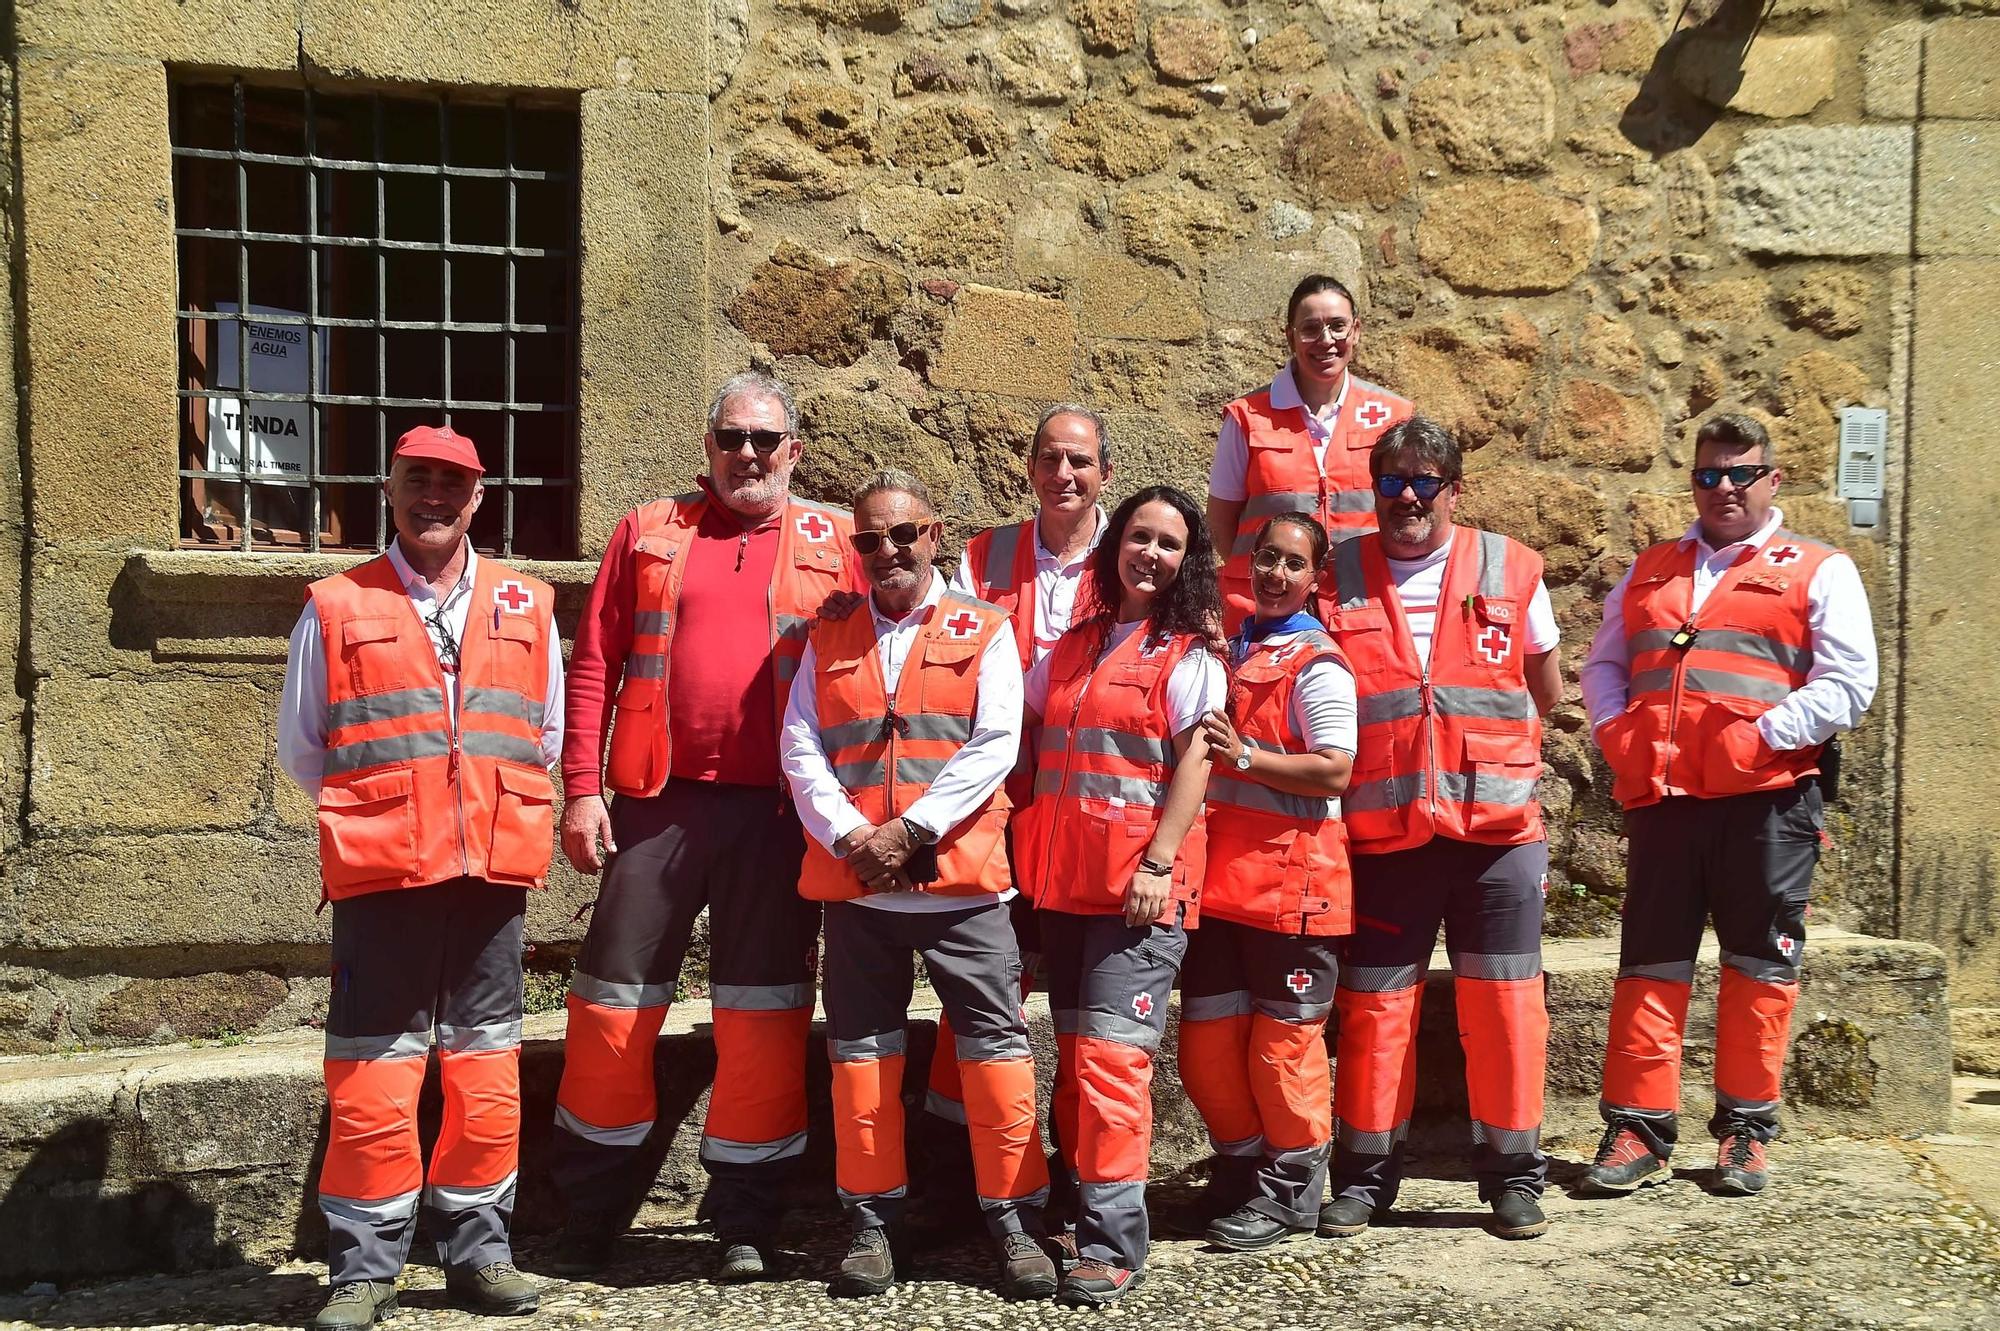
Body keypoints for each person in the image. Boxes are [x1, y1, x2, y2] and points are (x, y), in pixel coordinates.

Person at [548, 371, 857, 1281]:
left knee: (765, 1017)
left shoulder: (841, 539)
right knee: (612, 1006)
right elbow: (595, 660)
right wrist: (581, 789)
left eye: (765, 439)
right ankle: (589, 1213)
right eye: (732, 438)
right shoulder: (647, 530)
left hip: (778, 815)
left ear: (794, 449)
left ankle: (746, 1218)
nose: (748, 455)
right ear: (708, 446)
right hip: (659, 804)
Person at [279, 424, 563, 1327]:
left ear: (478, 497)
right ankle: (364, 1268)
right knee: (372, 1068)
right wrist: (394, 811)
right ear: (389, 489)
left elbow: (545, 734)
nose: (433, 496)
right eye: (417, 479)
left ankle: (480, 1251)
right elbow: (304, 747)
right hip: (384, 871)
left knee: (487, 1065)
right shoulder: (335, 603)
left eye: (452, 482)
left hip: (490, 868)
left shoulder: (529, 603)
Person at [1577, 413, 1877, 1199]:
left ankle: (1746, 1130)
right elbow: (1604, 663)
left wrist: (1762, 735)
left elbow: (1851, 682)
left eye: (1741, 473)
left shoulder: (1820, 568)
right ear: (1694, 483)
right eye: (1710, 474)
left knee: (1759, 967)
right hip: (1664, 799)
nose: (1725, 488)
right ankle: (1638, 1129)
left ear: (1772, 480)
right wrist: (1615, 733)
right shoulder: (1651, 567)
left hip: (1768, 801)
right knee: (1650, 963)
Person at [780, 470, 1058, 1301]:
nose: (888, 550)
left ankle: (1016, 1221)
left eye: (904, 534)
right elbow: (800, 742)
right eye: (870, 539)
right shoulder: (828, 634)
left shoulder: (987, 629)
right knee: (861, 1059)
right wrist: (852, 835)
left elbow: (995, 740)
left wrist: (913, 829)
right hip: (862, 887)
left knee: (997, 1055)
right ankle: (872, 1223)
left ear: (935, 535)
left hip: (962, 889)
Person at [1318, 417, 1563, 1242]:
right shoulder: (1336, 573)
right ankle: (1364, 1179)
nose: (1408, 496)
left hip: (1497, 834)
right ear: (1374, 489)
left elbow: (1545, 687)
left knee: (1507, 1011)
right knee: (1375, 1012)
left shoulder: (1512, 567)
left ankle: (1513, 1177)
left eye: (1425, 481)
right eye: (1392, 481)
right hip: (1386, 836)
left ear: (1454, 489)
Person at [1013, 484, 1228, 1305]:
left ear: (1187, 562)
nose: (1152, 554)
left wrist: (1159, 863)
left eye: (1170, 544)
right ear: (1115, 547)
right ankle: (1077, 1212)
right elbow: (1023, 723)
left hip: (1137, 895)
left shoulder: (1190, 657)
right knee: (1075, 1065)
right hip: (1066, 891)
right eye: (1141, 537)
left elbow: (1198, 762)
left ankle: (1113, 1244)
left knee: (1110, 1068)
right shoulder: (1075, 644)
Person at [921, 403, 1111, 1188]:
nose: (1063, 474)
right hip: (999, 816)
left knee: (1086, 1007)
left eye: (1080, 460)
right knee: (979, 992)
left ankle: (1081, 1177)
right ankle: (953, 1176)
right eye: (1050, 458)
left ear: (1105, 473)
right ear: (1029, 467)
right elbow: (947, 662)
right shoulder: (983, 555)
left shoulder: (1132, 556)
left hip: (1095, 823)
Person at [1179, 512, 1357, 1251]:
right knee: (1207, 1046)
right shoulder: (1236, 646)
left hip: (1293, 888)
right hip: (1220, 886)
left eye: (1293, 563)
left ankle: (1290, 1192)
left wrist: (1246, 757)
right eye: (1266, 558)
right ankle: (1242, 1170)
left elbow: (1335, 769)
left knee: (1283, 1052)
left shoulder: (1319, 663)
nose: (1276, 573)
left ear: (1316, 578)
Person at [1206, 273, 1413, 634]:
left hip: (1361, 603)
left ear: (1356, 331)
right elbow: (1222, 525)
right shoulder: (1247, 417)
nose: (1326, 340)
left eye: (1337, 326)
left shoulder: (1392, 416)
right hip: (1263, 609)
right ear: (1290, 336)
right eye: (1311, 328)